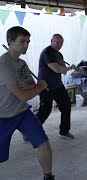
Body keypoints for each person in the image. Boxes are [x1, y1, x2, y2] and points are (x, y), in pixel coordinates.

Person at [0, 26, 55, 180]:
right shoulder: (3, 66)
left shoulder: (22, 63)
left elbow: (30, 84)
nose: (26, 45)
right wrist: (41, 87)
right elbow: (24, 95)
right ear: (10, 42)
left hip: (22, 112)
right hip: (2, 116)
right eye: (22, 41)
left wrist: (33, 87)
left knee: (43, 143)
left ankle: (48, 177)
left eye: (28, 41)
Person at [36, 34, 76, 140]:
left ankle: (64, 131)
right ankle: (29, 131)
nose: (58, 45)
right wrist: (69, 67)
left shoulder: (59, 54)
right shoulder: (46, 53)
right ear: (51, 41)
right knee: (45, 110)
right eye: (56, 42)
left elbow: (62, 71)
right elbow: (58, 69)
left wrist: (67, 67)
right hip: (45, 86)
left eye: (61, 43)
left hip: (57, 85)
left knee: (66, 106)